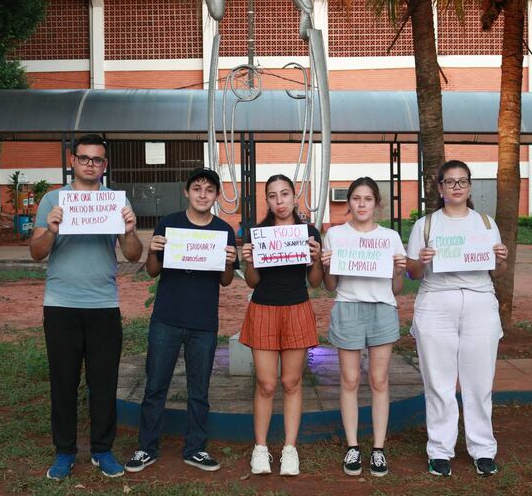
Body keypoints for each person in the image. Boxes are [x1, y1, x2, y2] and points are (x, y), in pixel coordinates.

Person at [30, 133, 143, 480]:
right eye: (84, 158)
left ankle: (102, 450)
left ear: (104, 165)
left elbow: (133, 255)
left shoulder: (115, 202)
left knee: (103, 382)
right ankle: (64, 452)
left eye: (97, 159)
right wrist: (50, 230)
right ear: (72, 160)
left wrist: (129, 230)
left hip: (103, 305)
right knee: (63, 382)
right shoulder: (53, 200)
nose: (90, 164)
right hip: (61, 305)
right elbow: (36, 252)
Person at [124, 168, 238, 473]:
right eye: (197, 188)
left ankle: (195, 448)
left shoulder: (224, 230)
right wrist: (152, 251)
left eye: (209, 190)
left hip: (203, 322)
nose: (203, 194)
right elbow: (151, 271)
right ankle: (146, 448)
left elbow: (226, 281)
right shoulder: (169, 224)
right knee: (156, 385)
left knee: (199, 390)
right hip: (167, 318)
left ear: (216, 196)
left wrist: (229, 262)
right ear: (186, 192)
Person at [405, 160, 509, 478]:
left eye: (462, 181)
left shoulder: (486, 224)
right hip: (436, 301)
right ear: (439, 188)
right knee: (439, 382)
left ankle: (482, 449)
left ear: (470, 186)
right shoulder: (425, 225)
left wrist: (501, 260)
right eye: (449, 182)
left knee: (479, 382)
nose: (456, 187)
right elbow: (411, 272)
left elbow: (496, 271)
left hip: (479, 301)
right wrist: (421, 261)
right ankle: (440, 450)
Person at [321, 177, 406, 478]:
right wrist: (327, 266)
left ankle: (379, 449)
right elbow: (331, 286)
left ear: (376, 204)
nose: (361, 204)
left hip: (383, 309)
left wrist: (398, 271)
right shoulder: (335, 236)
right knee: (350, 379)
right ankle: (353, 446)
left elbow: (396, 287)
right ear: (349, 203)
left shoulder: (391, 237)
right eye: (356, 198)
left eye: (367, 199)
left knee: (379, 379)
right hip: (348, 307)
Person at [240, 174, 323, 476]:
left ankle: (290, 449)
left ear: (293, 197)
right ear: (267, 200)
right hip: (263, 308)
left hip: (297, 308)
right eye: (273, 196)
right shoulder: (258, 233)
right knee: (266, 384)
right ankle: (260, 448)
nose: (279, 201)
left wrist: (316, 260)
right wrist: (249, 261)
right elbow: (252, 281)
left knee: (291, 382)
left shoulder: (308, 232)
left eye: (284, 194)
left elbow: (315, 284)